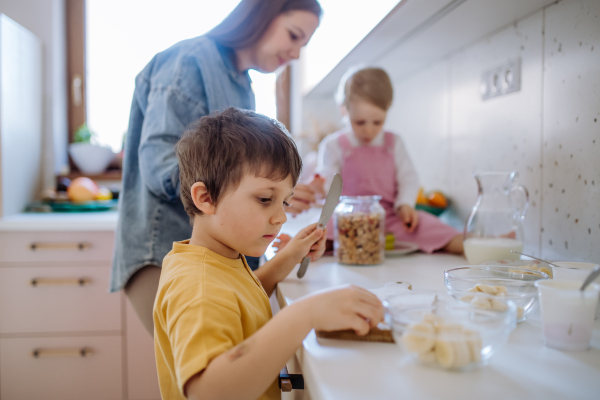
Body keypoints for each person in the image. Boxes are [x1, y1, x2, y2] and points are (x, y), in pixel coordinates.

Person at [110, 0, 323, 335]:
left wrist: (274, 190)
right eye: (294, 36)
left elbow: (239, 170)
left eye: (303, 45)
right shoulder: (190, 61)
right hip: (163, 248)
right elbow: (159, 168)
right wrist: (259, 187)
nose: (295, 54)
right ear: (263, 14)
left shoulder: (241, 84)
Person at [155, 107, 384, 400]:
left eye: (285, 203)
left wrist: (291, 255)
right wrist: (306, 314)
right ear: (206, 198)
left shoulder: (215, 260)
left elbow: (242, 299)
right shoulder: (198, 287)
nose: (281, 218)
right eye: (265, 199)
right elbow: (208, 392)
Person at [316, 67, 463, 254]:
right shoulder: (333, 145)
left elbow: (408, 178)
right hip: (348, 218)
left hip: (390, 217)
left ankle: (476, 244)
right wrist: (319, 186)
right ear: (344, 110)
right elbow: (327, 182)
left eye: (377, 122)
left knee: (432, 227)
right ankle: (314, 248)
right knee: (320, 231)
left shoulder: (395, 142)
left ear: (388, 109)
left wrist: (405, 205)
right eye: (359, 122)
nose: (368, 130)